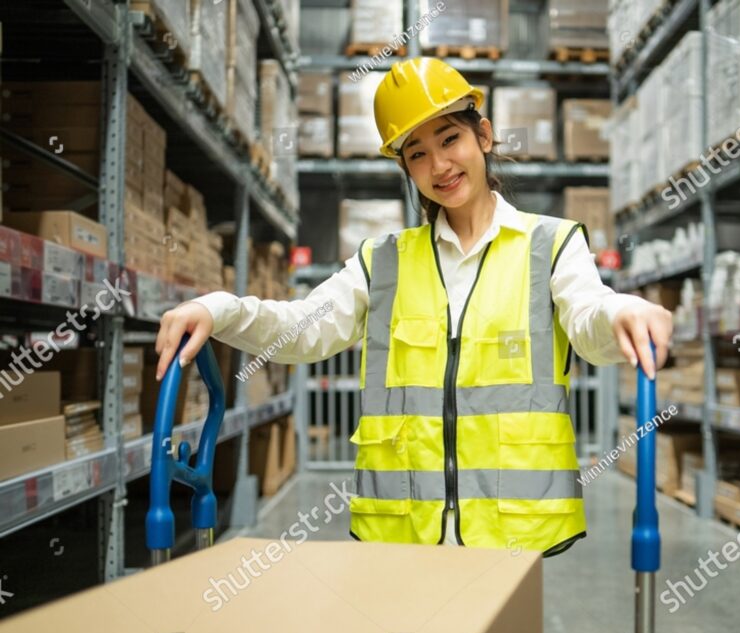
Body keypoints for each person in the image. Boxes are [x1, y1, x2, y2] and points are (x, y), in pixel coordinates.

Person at [155, 57, 673, 556]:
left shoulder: (551, 245)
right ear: (404, 166)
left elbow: (588, 318)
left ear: (484, 136)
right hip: (403, 530)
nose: (439, 165)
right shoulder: (384, 262)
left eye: (450, 139)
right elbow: (302, 330)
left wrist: (621, 312)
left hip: (514, 528)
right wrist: (219, 309)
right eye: (417, 153)